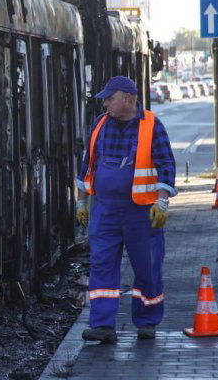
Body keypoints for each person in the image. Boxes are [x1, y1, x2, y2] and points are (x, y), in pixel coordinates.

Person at [75, 76, 176, 343]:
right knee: (101, 264)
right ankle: (103, 324)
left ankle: (146, 321)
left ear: (129, 99)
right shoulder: (100, 125)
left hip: (141, 211)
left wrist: (162, 200)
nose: (105, 102)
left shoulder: (152, 126)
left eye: (110, 97)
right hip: (106, 210)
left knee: (147, 266)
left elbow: (166, 165)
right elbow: (87, 165)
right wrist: (81, 200)